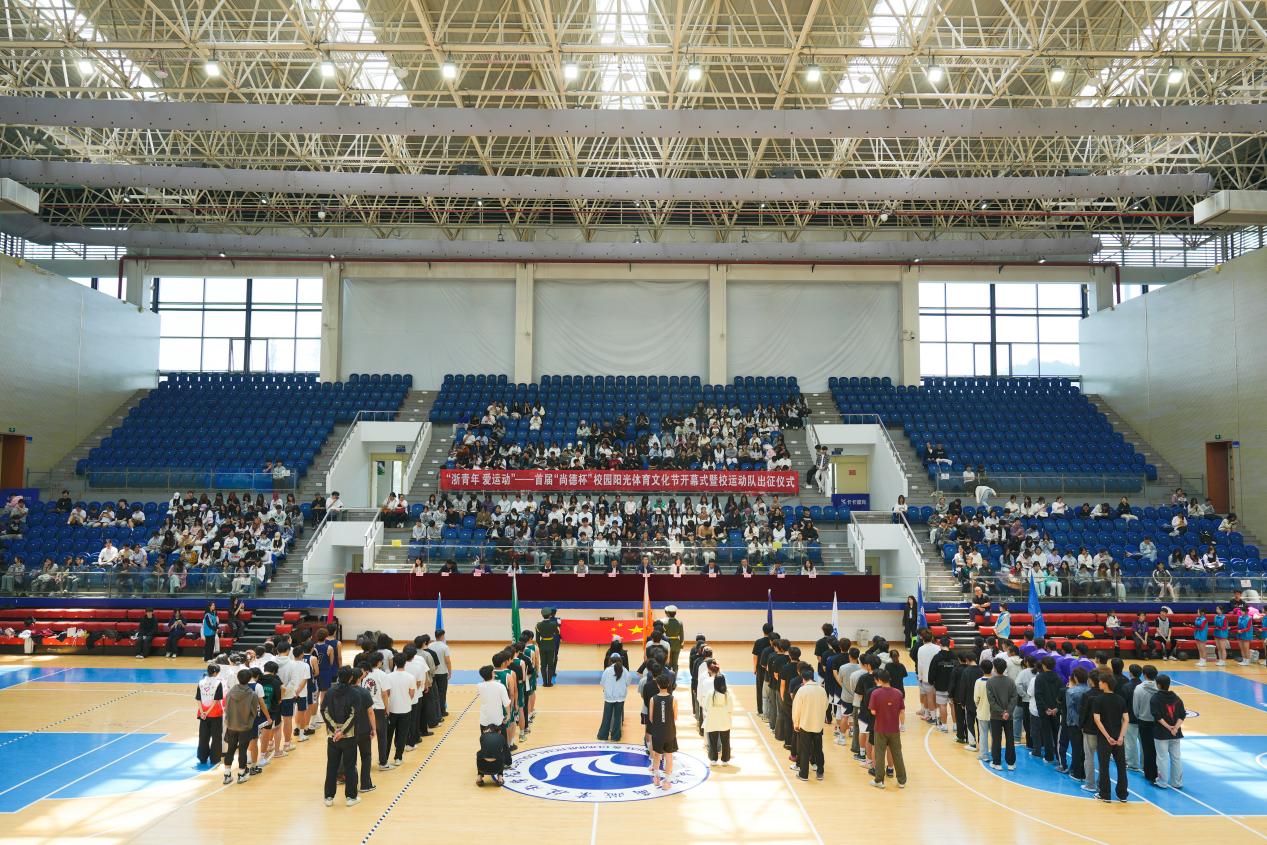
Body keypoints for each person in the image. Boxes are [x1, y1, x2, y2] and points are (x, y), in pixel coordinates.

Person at [322, 666, 365, 807]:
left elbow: (324, 711)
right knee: (350, 766)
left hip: (333, 736)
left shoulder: (330, 691)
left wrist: (335, 729)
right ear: (351, 678)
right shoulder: (355, 693)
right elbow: (354, 714)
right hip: (349, 736)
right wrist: (343, 731)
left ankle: (328, 797)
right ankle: (351, 797)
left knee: (332, 766)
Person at [1093, 672, 1130, 802]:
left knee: (1104, 767)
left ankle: (1105, 794)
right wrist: (1121, 737)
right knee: (1121, 766)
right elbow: (1126, 719)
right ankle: (1122, 794)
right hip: (1119, 737)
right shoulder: (1120, 699)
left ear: (1105, 684)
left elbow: (1097, 720)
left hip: (1105, 738)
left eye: (1100, 681)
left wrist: (1108, 737)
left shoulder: (1098, 699)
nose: (1098, 683)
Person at [222, 668, 262, 785]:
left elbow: (226, 708)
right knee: (243, 750)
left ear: (238, 678)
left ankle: (227, 775)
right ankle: (241, 774)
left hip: (231, 726)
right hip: (245, 727)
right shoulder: (252, 695)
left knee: (230, 749)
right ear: (249, 679)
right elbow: (254, 712)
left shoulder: (230, 692)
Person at [869, 667, 907, 789]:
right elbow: (902, 711)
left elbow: (873, 712)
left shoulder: (875, 693)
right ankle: (901, 780)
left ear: (879, 680)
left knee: (880, 754)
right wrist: (902, 725)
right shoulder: (898, 693)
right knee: (897, 753)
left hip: (880, 728)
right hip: (894, 728)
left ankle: (879, 780)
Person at [791, 665, 827, 782]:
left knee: (804, 750)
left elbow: (796, 709)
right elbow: (826, 705)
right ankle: (820, 772)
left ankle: (804, 774)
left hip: (805, 724)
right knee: (818, 749)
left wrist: (796, 723)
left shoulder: (802, 690)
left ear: (803, 679)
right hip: (818, 725)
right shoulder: (821, 690)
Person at [1150, 674, 1185, 789]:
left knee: (1162, 758)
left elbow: (1157, 716)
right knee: (1176, 758)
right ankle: (1177, 782)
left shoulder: (1155, 698)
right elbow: (1182, 715)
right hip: (1176, 733)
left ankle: (1162, 782)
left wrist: (1169, 727)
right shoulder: (1176, 698)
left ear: (1158, 685)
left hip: (1161, 733)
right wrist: (1175, 728)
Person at [384, 653, 417, 767]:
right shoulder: (410, 677)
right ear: (405, 663)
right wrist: (405, 700)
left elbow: (387, 693)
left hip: (392, 709)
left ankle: (384, 758)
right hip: (405, 709)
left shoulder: (388, 676)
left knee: (388, 735)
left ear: (394, 663)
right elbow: (412, 694)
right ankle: (398, 758)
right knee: (402, 735)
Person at [986, 656, 1019, 770]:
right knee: (1010, 739)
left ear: (994, 668)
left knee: (996, 739)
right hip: (1009, 717)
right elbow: (1014, 698)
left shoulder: (990, 682)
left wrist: (1001, 712)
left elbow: (991, 701)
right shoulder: (1011, 681)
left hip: (995, 716)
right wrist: (1007, 712)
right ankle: (1011, 763)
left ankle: (997, 763)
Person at [648, 674, 678, 790]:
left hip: (657, 731)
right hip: (669, 731)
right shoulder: (674, 699)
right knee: (669, 755)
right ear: (669, 684)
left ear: (658, 685)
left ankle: (656, 778)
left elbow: (651, 718)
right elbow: (675, 717)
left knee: (657, 755)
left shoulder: (653, 699)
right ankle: (667, 781)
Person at [702, 674, 735, 766]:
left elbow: (706, 707)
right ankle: (725, 760)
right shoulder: (728, 695)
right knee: (725, 741)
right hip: (725, 722)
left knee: (713, 741)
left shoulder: (710, 694)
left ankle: (713, 759)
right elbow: (730, 709)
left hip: (712, 721)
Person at [195, 663, 225, 767]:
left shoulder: (201, 682)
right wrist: (208, 712)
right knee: (216, 737)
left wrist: (203, 712)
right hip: (215, 714)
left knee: (203, 737)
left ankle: (202, 757)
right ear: (215, 673)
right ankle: (215, 759)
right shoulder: (218, 683)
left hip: (203, 714)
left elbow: (198, 698)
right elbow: (216, 700)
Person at [598, 654, 629, 741]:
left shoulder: (607, 670)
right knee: (618, 717)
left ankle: (603, 735)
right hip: (621, 697)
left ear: (611, 661)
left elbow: (602, 682)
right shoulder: (625, 671)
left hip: (609, 697)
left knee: (607, 716)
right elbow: (628, 682)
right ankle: (616, 737)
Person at [752, 622, 774, 716]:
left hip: (761, 669)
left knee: (760, 689)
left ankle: (761, 710)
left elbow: (755, 656)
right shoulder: (775, 642)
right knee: (772, 688)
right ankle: (771, 710)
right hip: (773, 668)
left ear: (763, 631)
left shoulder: (758, 642)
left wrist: (754, 667)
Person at [535, 608, 561, 686]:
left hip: (542, 644)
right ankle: (549, 683)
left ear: (542, 615)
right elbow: (557, 633)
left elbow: (537, 639)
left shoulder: (538, 625)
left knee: (543, 665)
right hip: (551, 644)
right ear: (550, 615)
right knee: (550, 664)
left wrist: (541, 645)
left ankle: (544, 683)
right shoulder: (554, 624)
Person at [431, 629, 453, 717]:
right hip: (442, 673)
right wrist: (450, 672)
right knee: (442, 693)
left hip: (433, 673)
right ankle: (442, 711)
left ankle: (435, 711)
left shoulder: (430, 645)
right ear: (442, 636)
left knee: (433, 694)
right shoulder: (444, 647)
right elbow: (447, 661)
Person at [662, 605, 685, 671]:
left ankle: (669, 675)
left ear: (668, 613)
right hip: (677, 644)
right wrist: (681, 644)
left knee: (668, 662)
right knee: (675, 662)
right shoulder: (680, 622)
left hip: (667, 643)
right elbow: (681, 635)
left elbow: (662, 634)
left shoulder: (664, 622)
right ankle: (675, 675)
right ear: (675, 613)